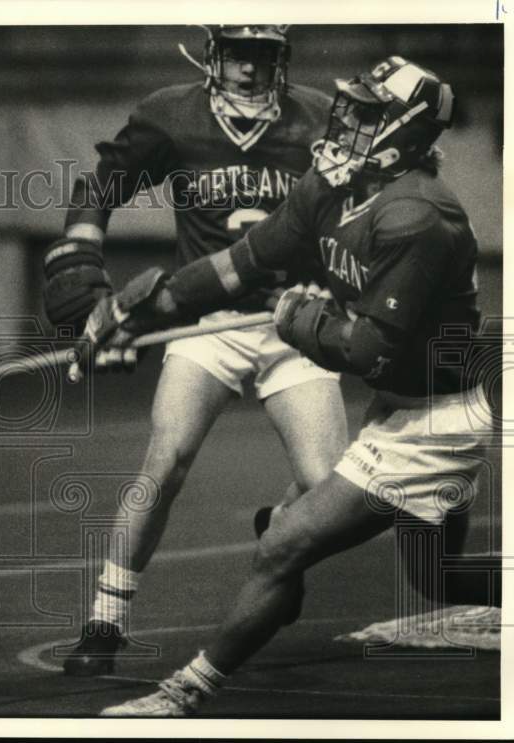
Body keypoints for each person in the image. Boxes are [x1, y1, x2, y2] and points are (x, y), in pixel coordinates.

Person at [79, 56, 497, 716]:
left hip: (437, 424)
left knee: (281, 544)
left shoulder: (420, 216)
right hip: (398, 411)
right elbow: (242, 263)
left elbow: (370, 354)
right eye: (349, 106)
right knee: (440, 578)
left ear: (406, 134)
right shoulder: (332, 184)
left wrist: (300, 319)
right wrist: (140, 311)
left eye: (367, 113)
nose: (345, 119)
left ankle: (183, 692)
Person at [41, 26, 348, 676]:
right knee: (164, 460)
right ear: (212, 54)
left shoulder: (321, 119)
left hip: (293, 321)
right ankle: (105, 618)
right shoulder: (172, 115)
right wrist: (82, 261)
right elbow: (100, 188)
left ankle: (281, 526)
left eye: (261, 53)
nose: (247, 65)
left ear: (281, 58)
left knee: (328, 488)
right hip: (204, 320)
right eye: (237, 51)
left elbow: (359, 211)